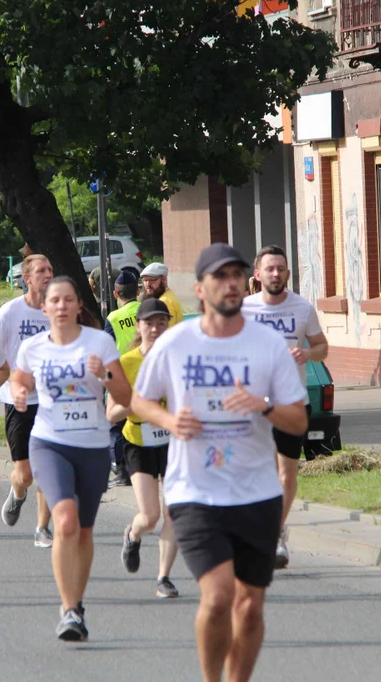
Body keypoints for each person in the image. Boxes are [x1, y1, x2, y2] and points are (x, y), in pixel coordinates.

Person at [132, 243, 308, 682]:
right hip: (195, 491)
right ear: (199, 288)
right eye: (220, 276)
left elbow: (299, 420)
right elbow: (140, 399)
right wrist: (171, 419)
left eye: (236, 275)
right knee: (217, 597)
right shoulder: (175, 342)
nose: (230, 283)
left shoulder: (266, 344)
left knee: (249, 609)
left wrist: (262, 405)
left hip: (257, 492)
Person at [10, 275, 131, 640]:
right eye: (55, 301)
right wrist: (18, 392)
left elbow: (125, 394)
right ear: (44, 307)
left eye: (68, 300)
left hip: (93, 446)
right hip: (49, 442)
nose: (61, 306)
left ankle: (78, 604)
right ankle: (67, 610)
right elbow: (19, 380)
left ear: (80, 305)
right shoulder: (32, 347)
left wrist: (105, 374)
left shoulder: (100, 341)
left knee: (84, 531)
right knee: (65, 521)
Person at [240, 244, 329, 571]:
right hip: (252, 405)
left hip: (292, 403)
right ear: (258, 274)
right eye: (270, 268)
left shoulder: (302, 308)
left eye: (281, 268)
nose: (275, 273)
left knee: (285, 474)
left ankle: (276, 531)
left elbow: (322, 347)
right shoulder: (244, 309)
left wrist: (308, 353)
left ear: (288, 273)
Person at [106, 297, 180, 598]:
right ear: (139, 326)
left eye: (162, 322)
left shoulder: (179, 360)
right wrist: (137, 399)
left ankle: (164, 577)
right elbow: (111, 414)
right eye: (150, 323)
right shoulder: (126, 363)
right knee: (149, 516)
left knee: (172, 512)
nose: (156, 328)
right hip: (138, 440)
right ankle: (133, 534)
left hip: (173, 441)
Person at [0, 254, 55, 546]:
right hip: (17, 401)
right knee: (26, 474)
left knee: (47, 467)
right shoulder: (10, 312)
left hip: (51, 401)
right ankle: (18, 492)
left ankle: (42, 527)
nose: (48, 274)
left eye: (50, 270)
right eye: (41, 270)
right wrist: (8, 379)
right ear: (26, 278)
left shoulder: (57, 310)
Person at [104, 270, 140, 488]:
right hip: (145, 376)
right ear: (138, 291)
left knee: (116, 426)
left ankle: (122, 471)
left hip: (121, 377)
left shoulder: (113, 318)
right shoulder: (146, 311)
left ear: (116, 295)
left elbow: (105, 349)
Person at [139, 262, 183, 327]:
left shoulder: (164, 302)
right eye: (145, 280)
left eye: (152, 280)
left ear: (164, 279)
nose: (148, 284)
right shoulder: (167, 296)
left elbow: (165, 333)